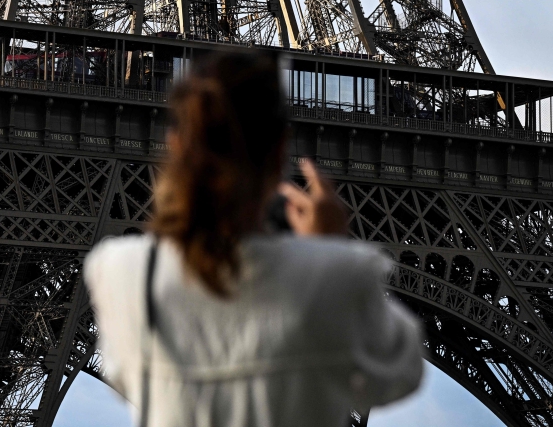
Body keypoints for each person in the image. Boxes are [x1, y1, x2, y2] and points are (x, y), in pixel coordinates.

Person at [84, 50, 423, 427]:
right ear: (280, 154)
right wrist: (329, 252)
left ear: (176, 145)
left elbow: (123, 377)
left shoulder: (120, 272)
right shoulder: (337, 276)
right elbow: (401, 370)